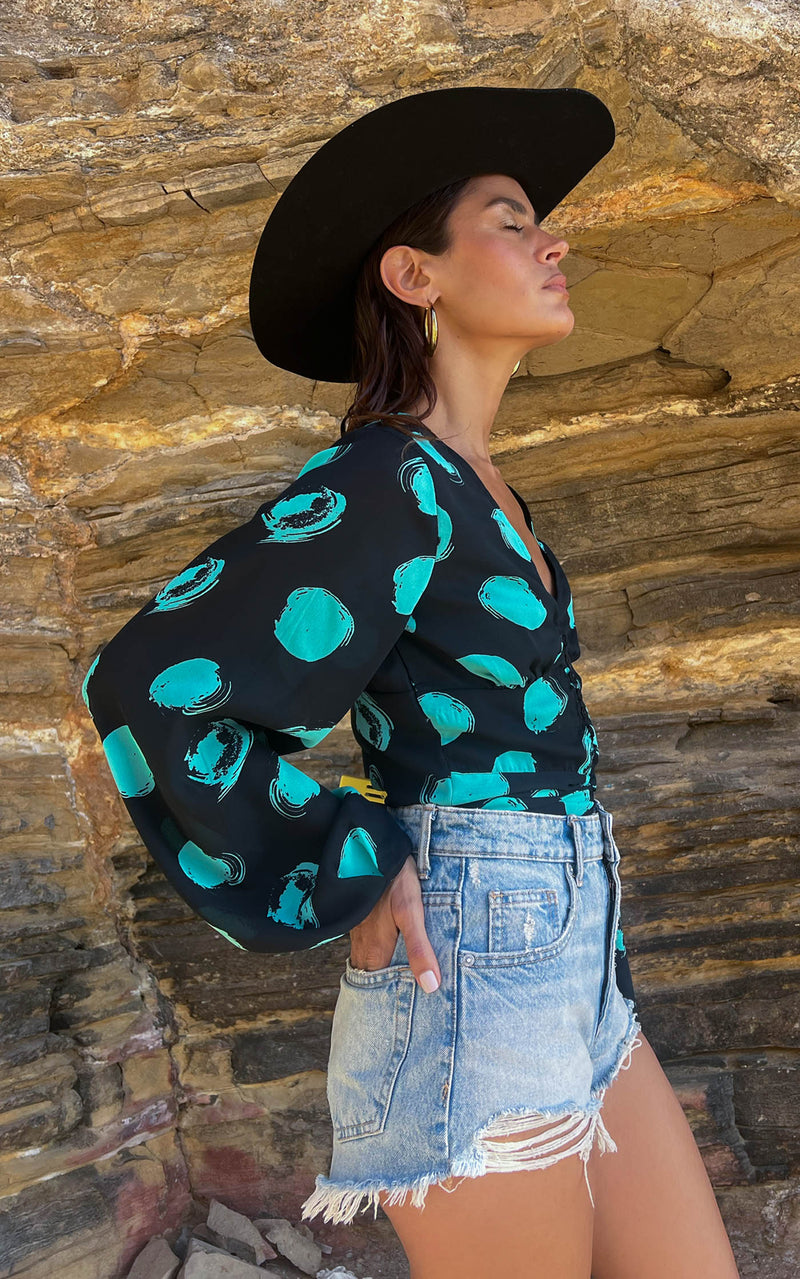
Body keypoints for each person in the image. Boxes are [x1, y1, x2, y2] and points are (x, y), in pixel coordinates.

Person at [84, 87, 741, 1279]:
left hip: (575, 947)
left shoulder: (475, 480)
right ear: (413, 274)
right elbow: (148, 680)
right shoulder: (390, 479)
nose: (553, 242)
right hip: (475, 957)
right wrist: (353, 852)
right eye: (508, 220)